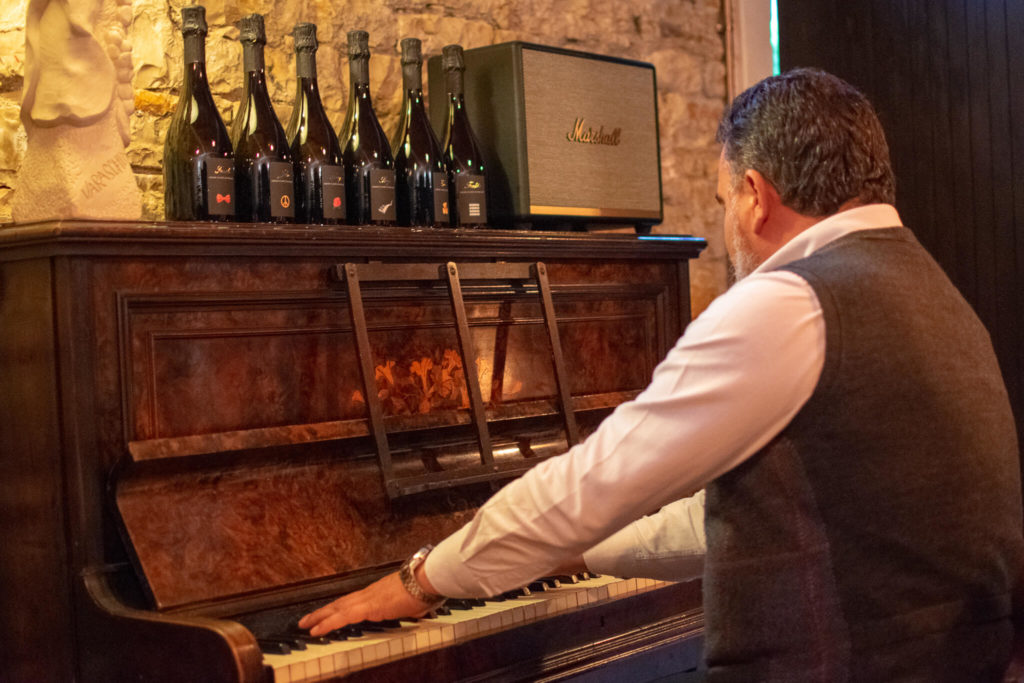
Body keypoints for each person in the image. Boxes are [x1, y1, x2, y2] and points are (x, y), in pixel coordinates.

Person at [300, 68, 1024, 681]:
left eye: (721, 201)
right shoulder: (937, 295)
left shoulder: (787, 303)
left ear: (755, 194)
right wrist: (573, 551)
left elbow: (592, 484)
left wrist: (419, 577)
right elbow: (736, 521)